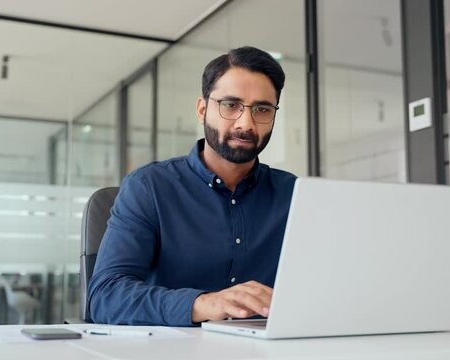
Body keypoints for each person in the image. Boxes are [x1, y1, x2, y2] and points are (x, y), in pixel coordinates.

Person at [88, 46, 297, 326]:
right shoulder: (149, 187)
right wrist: (203, 303)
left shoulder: (293, 194)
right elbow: (105, 296)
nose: (245, 123)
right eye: (230, 105)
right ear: (202, 109)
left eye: (262, 109)